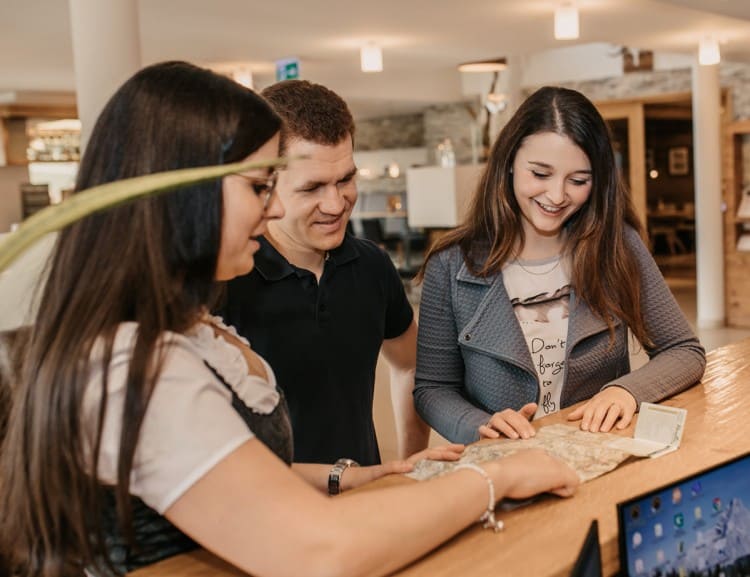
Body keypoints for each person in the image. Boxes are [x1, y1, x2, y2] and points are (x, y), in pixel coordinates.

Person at [0, 62, 579, 577]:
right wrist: (494, 479)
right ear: (187, 202)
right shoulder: (137, 367)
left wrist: (360, 477)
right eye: (259, 187)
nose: (274, 207)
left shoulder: (184, 331)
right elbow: (317, 551)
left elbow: (234, 473)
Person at [414, 86, 706, 445]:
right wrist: (480, 425)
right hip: (505, 472)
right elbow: (433, 389)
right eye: (540, 174)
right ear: (508, 163)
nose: (556, 195)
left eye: (578, 181)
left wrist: (627, 391)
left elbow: (684, 352)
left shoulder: (617, 245)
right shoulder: (450, 265)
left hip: (599, 458)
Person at [220, 79, 429, 466]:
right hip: (265, 515)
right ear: (267, 184)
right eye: (312, 188)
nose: (336, 204)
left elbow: (409, 364)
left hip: (364, 502)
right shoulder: (225, 280)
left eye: (346, 180)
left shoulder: (372, 266)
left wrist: (411, 467)